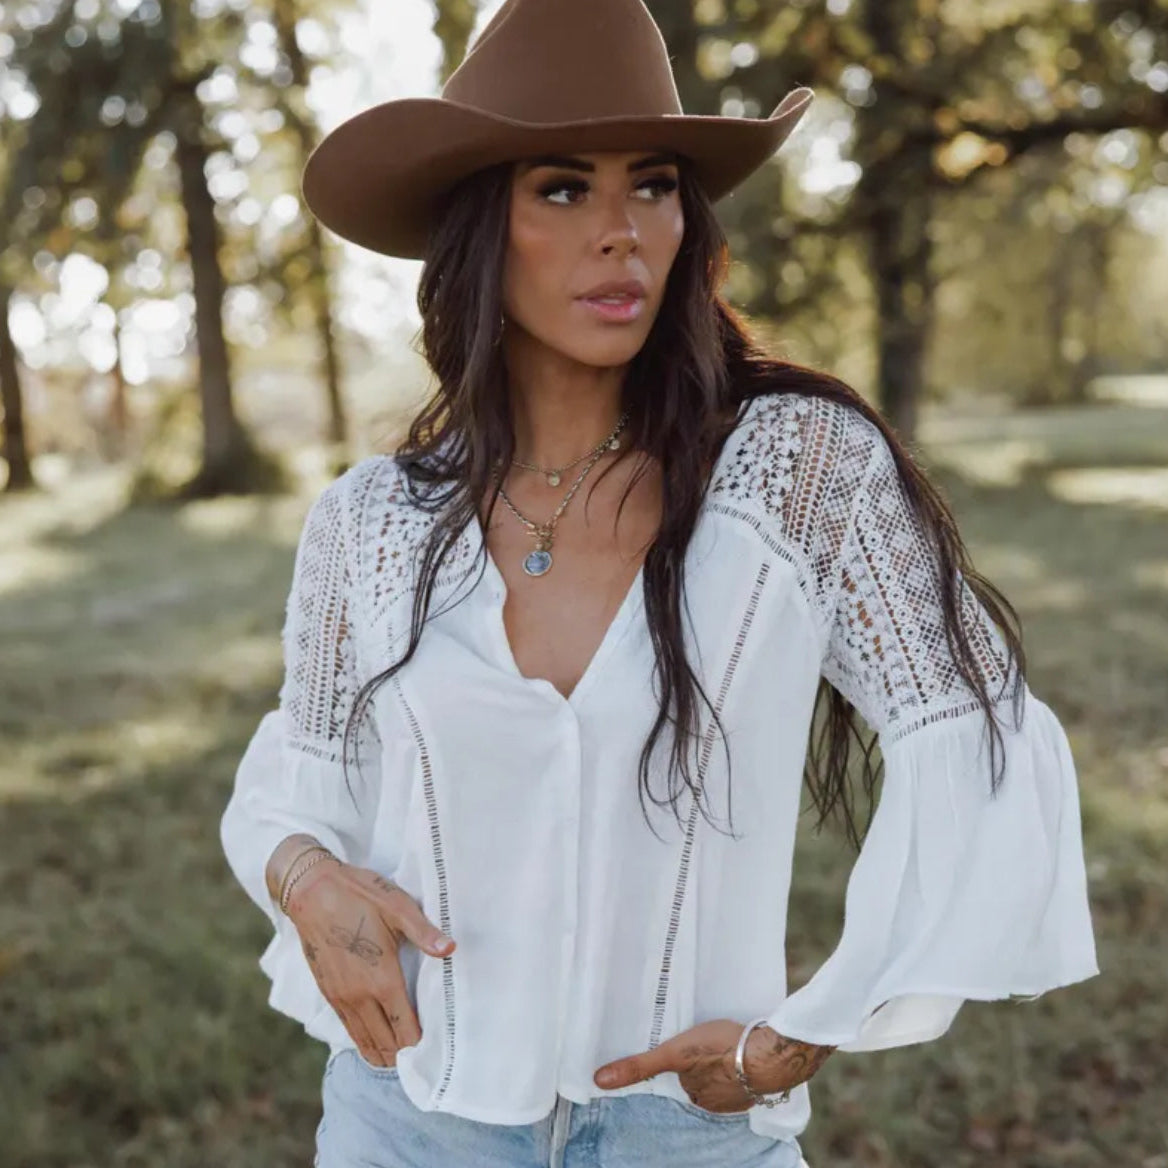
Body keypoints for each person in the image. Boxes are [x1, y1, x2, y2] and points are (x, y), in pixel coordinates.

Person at [218, 0, 1101, 1164]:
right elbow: (298, 776)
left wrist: (803, 1032)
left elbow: (977, 729)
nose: (622, 231)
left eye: (653, 184)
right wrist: (306, 879)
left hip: (686, 1136)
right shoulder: (372, 520)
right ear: (482, 226)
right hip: (407, 1118)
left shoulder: (795, 470)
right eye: (564, 188)